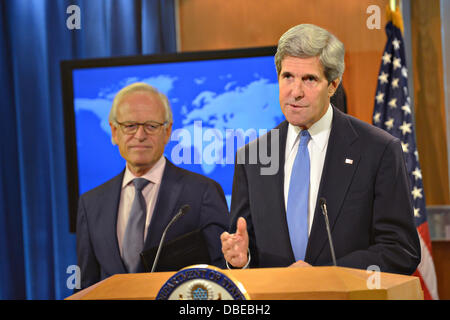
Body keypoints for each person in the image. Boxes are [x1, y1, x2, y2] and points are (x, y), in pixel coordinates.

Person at [221, 24, 420, 274]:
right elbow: (246, 245)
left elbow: (401, 250)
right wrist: (241, 260)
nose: (295, 92)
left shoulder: (378, 150)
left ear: (333, 85)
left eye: (309, 79)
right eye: (287, 77)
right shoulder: (253, 156)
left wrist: (326, 273)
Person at [77, 82, 229, 289]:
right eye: (130, 126)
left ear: (167, 132)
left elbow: (221, 274)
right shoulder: (91, 203)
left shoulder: (202, 192)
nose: (140, 136)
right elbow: (86, 283)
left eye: (151, 126)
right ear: (114, 132)